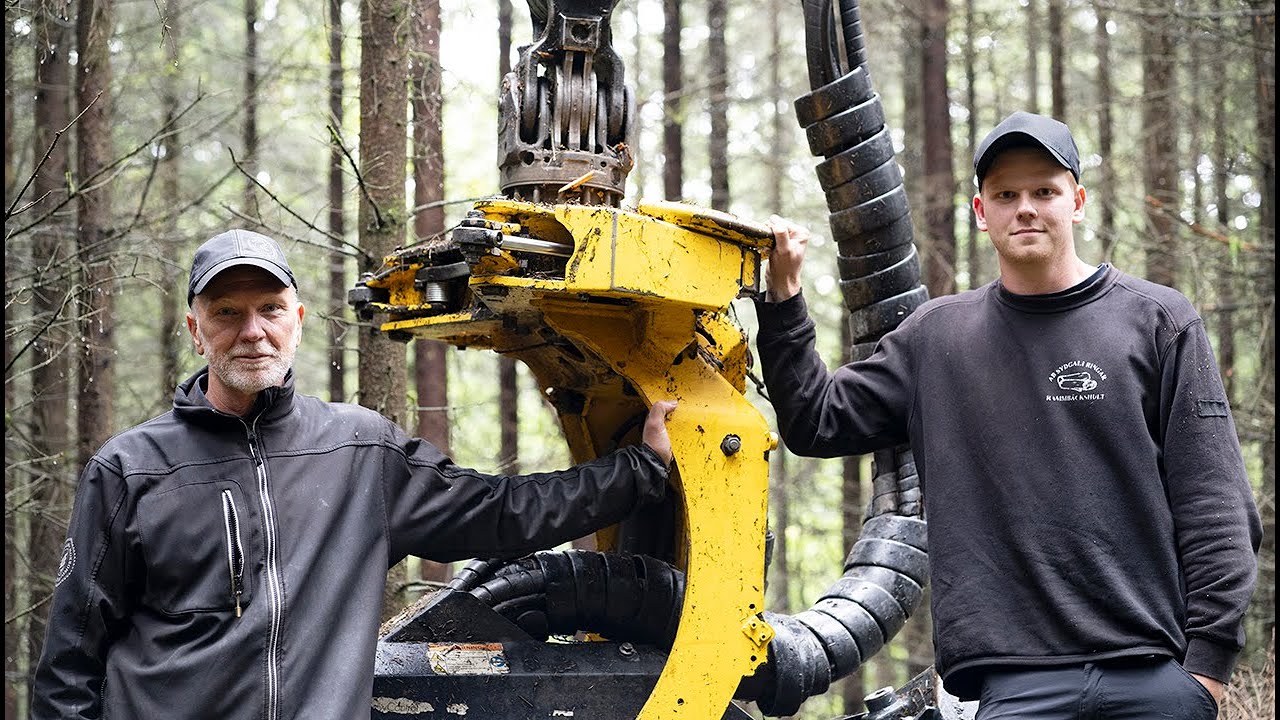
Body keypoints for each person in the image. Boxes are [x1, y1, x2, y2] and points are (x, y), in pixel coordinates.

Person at [31, 228, 678, 719]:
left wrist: (640, 469)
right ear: (196, 330)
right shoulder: (130, 470)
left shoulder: (360, 451)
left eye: (270, 309)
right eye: (226, 312)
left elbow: (504, 514)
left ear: (298, 322)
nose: (251, 332)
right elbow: (69, 664)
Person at [757, 111, 1261, 718]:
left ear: (1075, 201)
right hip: (1013, 688)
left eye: (1044, 191)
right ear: (980, 211)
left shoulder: (1159, 323)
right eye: (1006, 194)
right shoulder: (937, 339)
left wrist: (1205, 669)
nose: (1025, 208)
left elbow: (1216, 503)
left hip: (1151, 676)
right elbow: (816, 421)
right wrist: (783, 302)